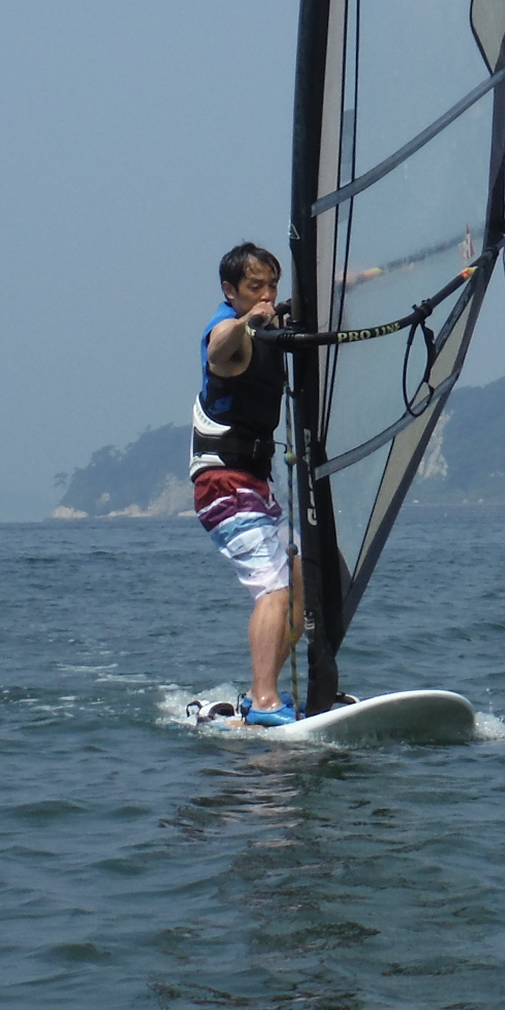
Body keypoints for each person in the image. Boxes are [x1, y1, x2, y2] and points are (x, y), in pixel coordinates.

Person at [190, 242, 301, 726]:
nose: (266, 295)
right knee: (273, 588)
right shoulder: (229, 329)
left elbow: (335, 289)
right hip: (223, 486)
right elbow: (218, 346)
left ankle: (259, 693)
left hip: (257, 485)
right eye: (255, 286)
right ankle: (267, 702)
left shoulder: (271, 320)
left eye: (272, 285)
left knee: (305, 583)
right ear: (230, 290)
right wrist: (248, 320)